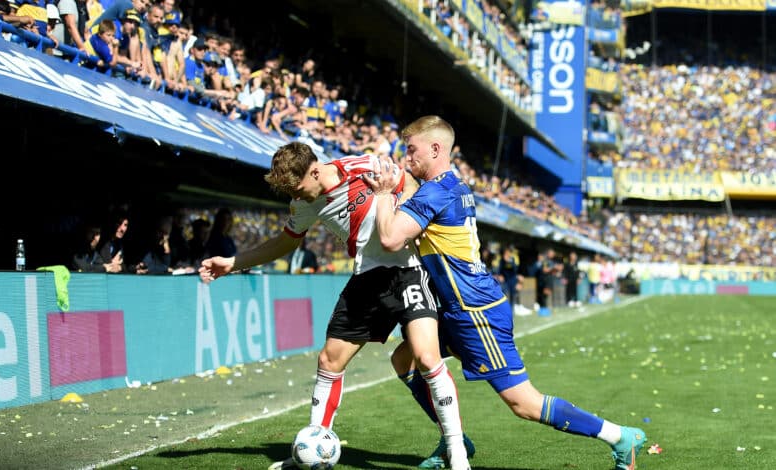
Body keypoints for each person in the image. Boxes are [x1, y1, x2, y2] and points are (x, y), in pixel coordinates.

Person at [363, 115, 647, 470]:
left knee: (524, 404)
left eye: (412, 150)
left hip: (475, 312)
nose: (407, 158)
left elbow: (390, 238)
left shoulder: (437, 191)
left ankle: (620, 437)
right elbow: (411, 193)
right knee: (404, 359)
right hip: (459, 308)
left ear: (435, 149)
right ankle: (454, 438)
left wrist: (382, 194)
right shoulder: (449, 185)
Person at [199, 142, 471, 470]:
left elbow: (413, 188)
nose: (296, 197)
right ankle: (311, 446)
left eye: (298, 188)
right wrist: (233, 262)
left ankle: (457, 454)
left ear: (315, 171)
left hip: (409, 269)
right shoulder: (304, 203)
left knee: (426, 358)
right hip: (367, 276)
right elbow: (285, 242)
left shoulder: (363, 166)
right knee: (329, 359)